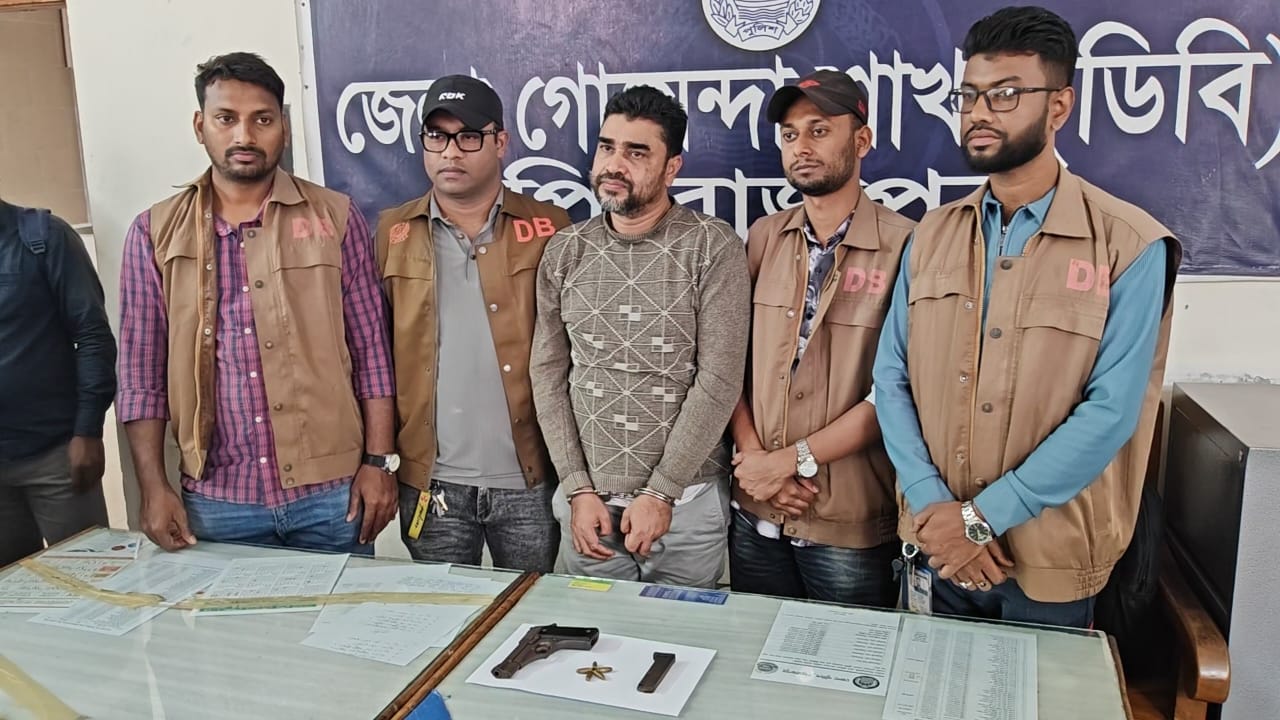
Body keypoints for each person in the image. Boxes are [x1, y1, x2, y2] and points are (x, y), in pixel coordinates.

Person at [873, 6, 1180, 627]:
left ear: (1059, 106)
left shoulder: (1129, 244)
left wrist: (981, 519)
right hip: (934, 542)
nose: (979, 112)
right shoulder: (931, 234)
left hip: (1047, 558)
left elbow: (1111, 412)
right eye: (969, 95)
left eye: (1006, 94)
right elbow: (892, 376)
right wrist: (936, 506)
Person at [118, 52, 398, 554]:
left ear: (283, 128)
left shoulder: (335, 218)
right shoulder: (154, 232)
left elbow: (372, 353)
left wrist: (379, 463)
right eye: (226, 119)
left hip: (331, 496)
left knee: (344, 610)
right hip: (217, 500)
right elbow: (141, 376)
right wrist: (153, 487)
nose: (244, 136)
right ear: (200, 126)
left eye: (262, 120)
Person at [531, 86, 749, 588]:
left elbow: (719, 380)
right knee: (588, 632)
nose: (614, 164)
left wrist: (662, 492)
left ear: (672, 168)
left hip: (685, 506)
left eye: (636, 153)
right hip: (588, 511)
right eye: (607, 147)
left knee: (677, 634)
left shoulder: (711, 246)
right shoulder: (566, 249)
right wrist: (576, 488)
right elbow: (548, 374)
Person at [727, 71, 913, 606]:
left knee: (849, 655)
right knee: (755, 649)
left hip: (847, 521)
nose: (801, 147)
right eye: (790, 134)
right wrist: (756, 460)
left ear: (862, 140)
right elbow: (729, 364)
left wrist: (790, 461)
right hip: (756, 509)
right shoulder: (764, 236)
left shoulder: (908, 245)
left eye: (819, 130)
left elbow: (898, 390)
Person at [375, 75, 570, 572]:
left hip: (531, 478)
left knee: (530, 607)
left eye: (468, 137)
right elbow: (370, 356)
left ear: (500, 142)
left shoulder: (551, 227)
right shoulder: (391, 232)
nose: (450, 152)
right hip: (432, 483)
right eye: (436, 136)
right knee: (442, 610)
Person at [0, 200, 116, 566]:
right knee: (10, 593)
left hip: (57, 457)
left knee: (92, 580)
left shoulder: (45, 237)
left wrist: (88, 430)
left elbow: (92, 335)